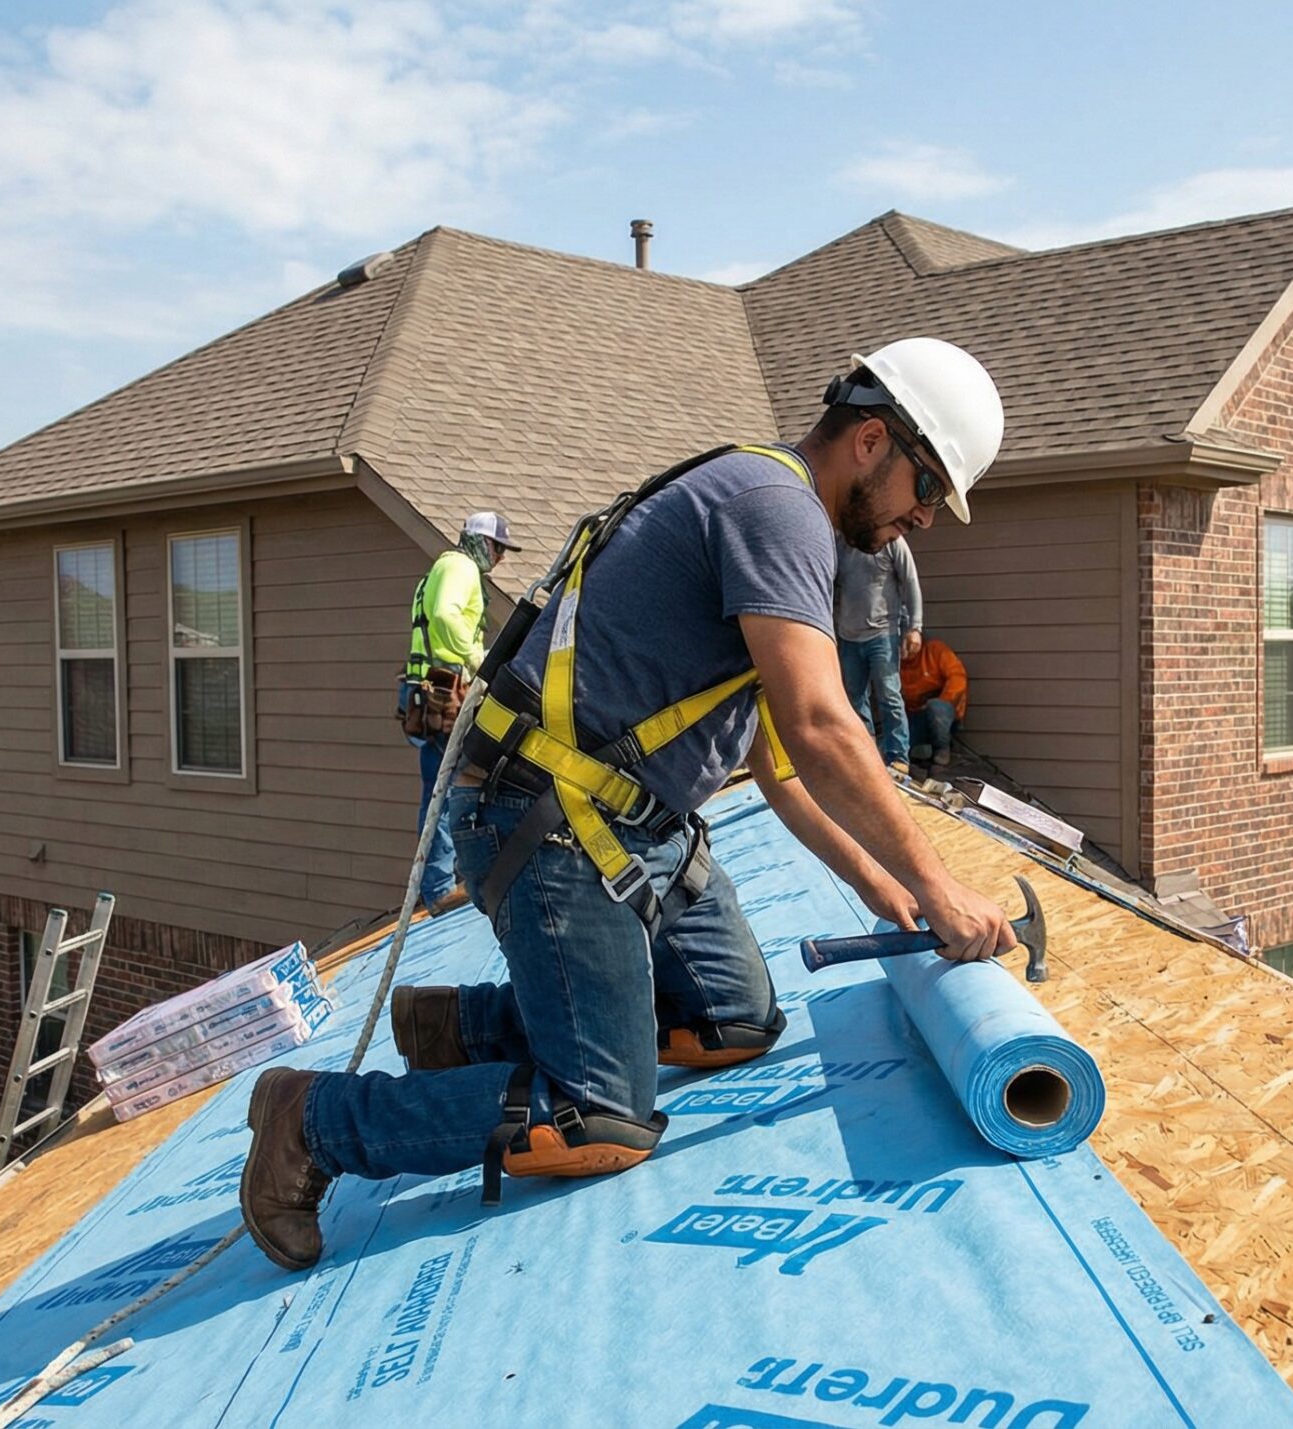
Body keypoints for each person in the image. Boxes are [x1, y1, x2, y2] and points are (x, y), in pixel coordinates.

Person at [241, 338, 1018, 1271]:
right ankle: (313, 1120)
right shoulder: (778, 511)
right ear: (869, 439)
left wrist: (889, 890)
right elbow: (822, 722)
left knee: (736, 1018)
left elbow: (781, 768)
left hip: (632, 821)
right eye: (926, 486)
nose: (924, 518)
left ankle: (458, 1025)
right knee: (598, 1115)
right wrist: (941, 889)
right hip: (549, 819)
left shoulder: (777, 518)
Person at [399, 511, 519, 913]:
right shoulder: (460, 567)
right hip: (443, 689)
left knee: (443, 784)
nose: (500, 558)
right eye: (498, 547)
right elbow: (446, 616)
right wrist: (478, 659)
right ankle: (438, 887)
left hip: (428, 688)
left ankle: (438, 880)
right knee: (451, 787)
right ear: (481, 542)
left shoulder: (445, 567)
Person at [834, 535, 922, 774]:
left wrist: (914, 627)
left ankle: (898, 757)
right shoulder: (840, 545)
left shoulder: (892, 541)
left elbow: (910, 581)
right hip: (848, 635)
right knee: (855, 699)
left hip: (883, 633)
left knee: (889, 695)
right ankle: (865, 756)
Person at [902, 634, 968, 768]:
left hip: (944, 714)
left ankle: (942, 750)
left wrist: (944, 699)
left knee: (936, 707)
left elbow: (958, 678)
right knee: (887, 747)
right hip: (914, 717)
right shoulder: (890, 661)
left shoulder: (935, 650)